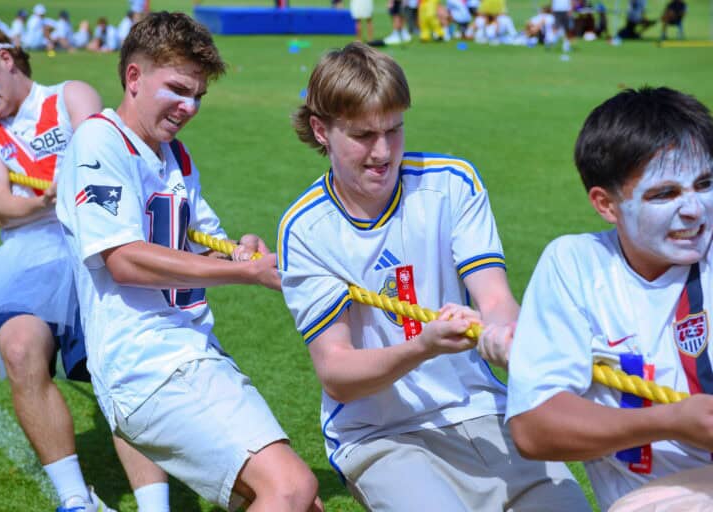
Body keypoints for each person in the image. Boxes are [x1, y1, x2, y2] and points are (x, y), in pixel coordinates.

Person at [279, 41, 589, 511]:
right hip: (380, 435)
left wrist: (507, 336)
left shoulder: (452, 183)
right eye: (363, 135)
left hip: (486, 409)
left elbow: (496, 299)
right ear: (321, 130)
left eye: (394, 130)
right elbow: (336, 372)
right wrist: (422, 345)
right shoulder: (305, 228)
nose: (383, 152)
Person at [56, 12, 322, 511]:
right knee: (289, 488)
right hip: (147, 367)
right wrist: (243, 272)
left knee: (300, 502)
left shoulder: (175, 156)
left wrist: (240, 249)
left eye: (198, 95)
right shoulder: (99, 141)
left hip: (192, 353)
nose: (190, 106)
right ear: (133, 77)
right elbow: (124, 261)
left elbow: (203, 244)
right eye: (178, 89)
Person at [0, 26, 169, 512]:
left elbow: (105, 163)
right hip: (29, 251)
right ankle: (74, 499)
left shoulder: (70, 95)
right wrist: (44, 198)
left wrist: (74, 183)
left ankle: (155, 505)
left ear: (7, 59)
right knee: (20, 347)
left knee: (116, 371)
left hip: (95, 243)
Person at [506, 87, 713, 511]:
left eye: (706, 184)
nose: (695, 209)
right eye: (665, 194)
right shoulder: (577, 265)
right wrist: (669, 421)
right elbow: (534, 426)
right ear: (606, 204)